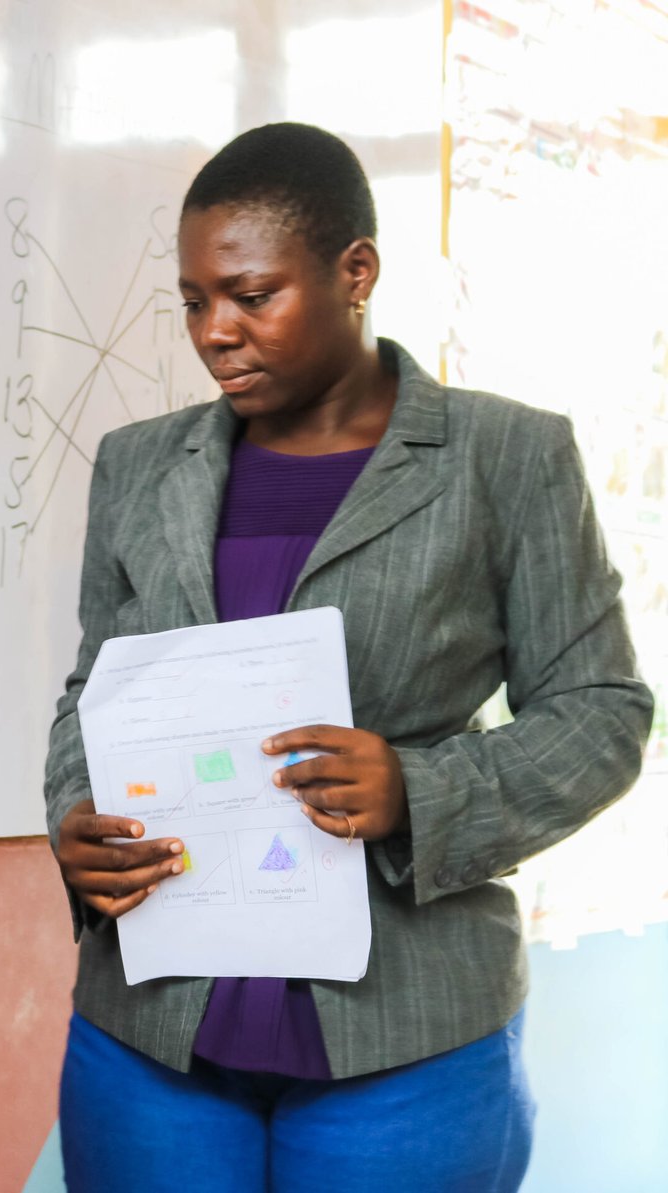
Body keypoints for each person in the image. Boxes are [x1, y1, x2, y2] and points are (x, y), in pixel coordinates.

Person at [43, 123, 653, 1192]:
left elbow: (601, 711)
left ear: (355, 273)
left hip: (407, 1036)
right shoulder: (139, 466)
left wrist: (417, 787)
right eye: (194, 302)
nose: (215, 333)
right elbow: (93, 688)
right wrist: (77, 818)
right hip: (151, 1023)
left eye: (251, 294)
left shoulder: (504, 456)